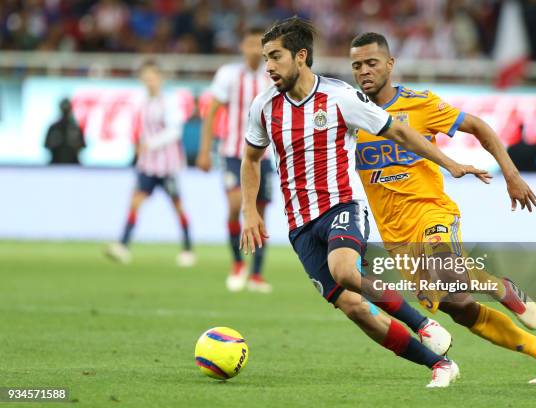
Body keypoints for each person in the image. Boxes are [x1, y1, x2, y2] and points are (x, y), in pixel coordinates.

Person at [241, 17, 491, 388]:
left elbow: (400, 131)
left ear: (301, 56)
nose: (268, 67)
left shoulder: (340, 96)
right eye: (265, 59)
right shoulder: (263, 107)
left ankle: (422, 322)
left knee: (344, 271)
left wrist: (450, 163)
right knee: (355, 308)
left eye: (275, 57)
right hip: (300, 224)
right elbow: (250, 158)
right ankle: (439, 365)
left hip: (343, 205)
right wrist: (250, 210)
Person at [349, 32, 536, 384]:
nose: (364, 71)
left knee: (449, 275)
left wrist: (510, 175)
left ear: (390, 64)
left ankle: (501, 287)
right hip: (395, 234)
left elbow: (478, 126)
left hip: (431, 211)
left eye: (372, 63)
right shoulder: (351, 114)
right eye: (357, 65)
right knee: (458, 306)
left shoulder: (418, 104)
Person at [197, 26, 273, 293]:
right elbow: (211, 113)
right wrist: (204, 150)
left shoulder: (271, 76)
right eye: (250, 44)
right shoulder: (228, 75)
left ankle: (256, 274)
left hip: (264, 156)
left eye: (258, 45)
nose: (254, 49)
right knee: (235, 205)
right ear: (242, 47)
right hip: (232, 153)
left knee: (261, 212)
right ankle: (238, 263)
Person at [106, 60, 196, 267]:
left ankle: (188, 248)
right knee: (135, 202)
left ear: (160, 79)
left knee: (178, 206)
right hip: (147, 165)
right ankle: (123, 245)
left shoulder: (170, 102)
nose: (150, 82)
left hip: (167, 166)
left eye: (153, 78)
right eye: (146, 78)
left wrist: (149, 144)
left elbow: (175, 132)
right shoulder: (143, 102)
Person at [44, 98, 86, 165]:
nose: (65, 111)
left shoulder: (76, 128)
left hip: (74, 165)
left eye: (67, 108)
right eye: (64, 108)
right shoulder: (53, 128)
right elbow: (47, 145)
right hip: (55, 164)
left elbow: (82, 146)